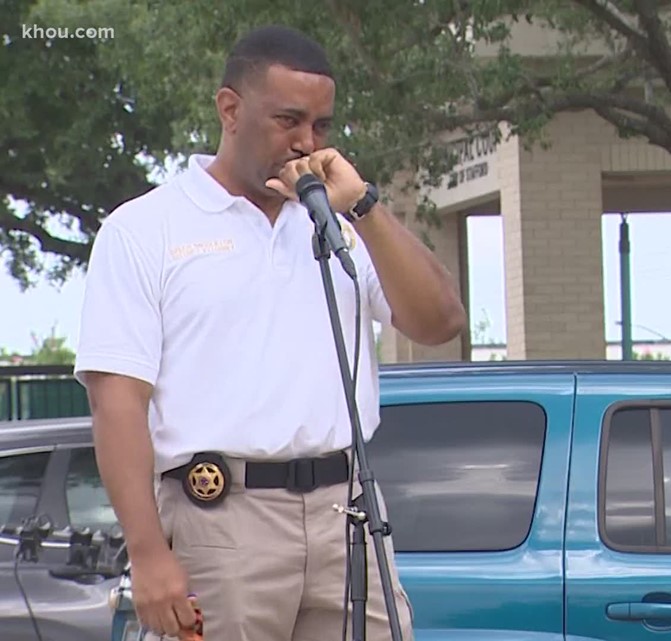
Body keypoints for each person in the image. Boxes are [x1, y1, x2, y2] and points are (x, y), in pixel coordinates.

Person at [74, 25, 466, 641]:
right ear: (230, 110)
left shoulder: (339, 223)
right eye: (288, 119)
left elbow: (440, 322)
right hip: (221, 518)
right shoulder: (146, 228)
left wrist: (362, 205)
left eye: (322, 125)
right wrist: (148, 553)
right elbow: (116, 401)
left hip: (348, 514)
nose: (307, 142)